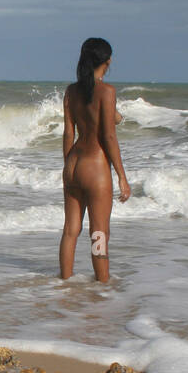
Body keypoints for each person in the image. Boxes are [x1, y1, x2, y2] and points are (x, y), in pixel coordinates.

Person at [60, 37, 130, 281]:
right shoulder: (107, 91)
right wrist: (122, 176)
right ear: (108, 61)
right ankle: (103, 287)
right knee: (99, 233)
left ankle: (64, 283)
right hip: (95, 166)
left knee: (70, 231)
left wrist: (67, 167)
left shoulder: (71, 91)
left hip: (73, 163)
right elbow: (109, 137)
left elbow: (69, 132)